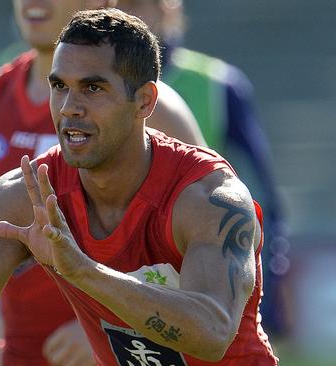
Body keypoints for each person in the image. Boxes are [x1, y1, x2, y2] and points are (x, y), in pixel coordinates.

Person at [0, 8, 277, 366]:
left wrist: (84, 272)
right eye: (59, 87)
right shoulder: (23, 196)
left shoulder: (209, 198)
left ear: (145, 100)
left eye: (93, 88)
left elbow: (212, 335)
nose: (69, 106)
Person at [114, 0, 289, 335]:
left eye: (137, 4)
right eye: (118, 5)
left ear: (167, 7)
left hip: (198, 270)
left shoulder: (218, 84)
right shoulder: (77, 86)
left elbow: (260, 197)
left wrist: (264, 288)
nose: (128, 14)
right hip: (116, 271)